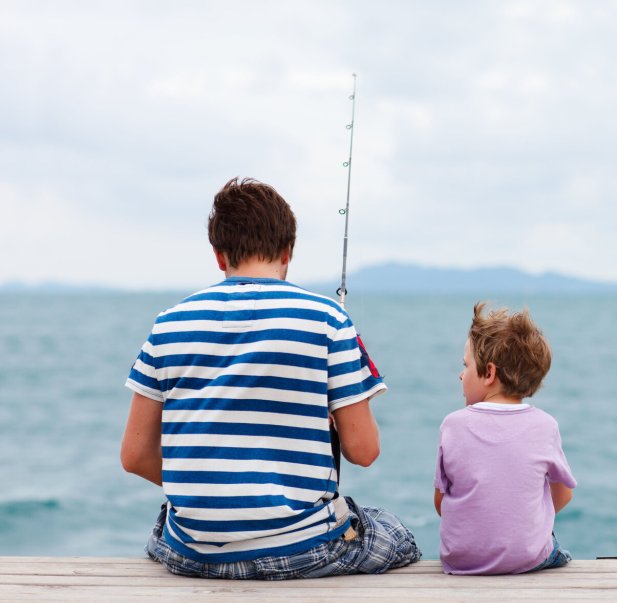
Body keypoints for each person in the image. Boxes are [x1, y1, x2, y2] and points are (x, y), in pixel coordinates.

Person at [120, 177, 420, 580]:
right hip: (298, 551)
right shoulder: (328, 319)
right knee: (393, 531)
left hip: (191, 553)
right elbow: (364, 451)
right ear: (287, 251)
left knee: (166, 524)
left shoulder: (168, 323)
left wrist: (217, 487)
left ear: (218, 255)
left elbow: (135, 456)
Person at [433, 302, 577, 574]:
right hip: (527, 558)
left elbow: (441, 504)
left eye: (466, 365)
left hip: (461, 559)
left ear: (489, 373)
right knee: (554, 546)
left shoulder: (452, 424)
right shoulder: (545, 425)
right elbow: (563, 495)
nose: (460, 374)